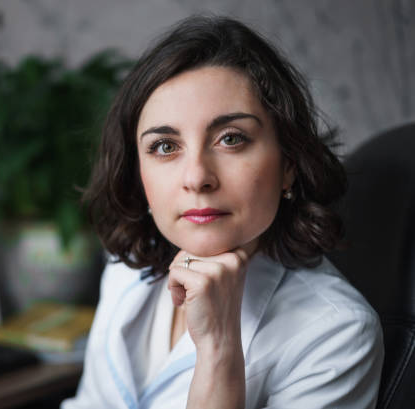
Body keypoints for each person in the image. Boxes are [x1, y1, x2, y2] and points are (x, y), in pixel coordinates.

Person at [61, 15, 383, 409]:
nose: (197, 177)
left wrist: (219, 348)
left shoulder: (337, 333)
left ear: (289, 164)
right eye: (165, 146)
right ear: (138, 171)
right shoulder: (125, 270)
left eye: (231, 139)